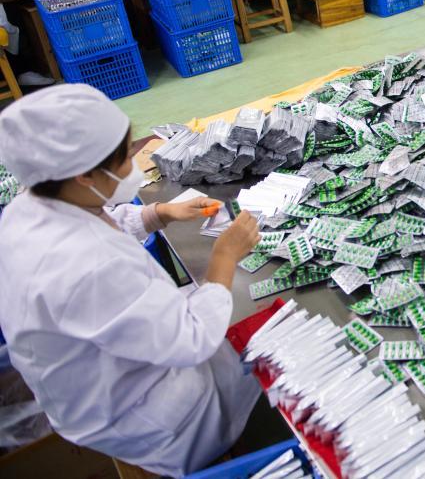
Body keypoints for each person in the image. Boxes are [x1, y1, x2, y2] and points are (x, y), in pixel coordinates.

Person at [0, 84, 262, 477]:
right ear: (84, 174)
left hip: (99, 381)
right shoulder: (90, 267)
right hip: (155, 424)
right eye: (124, 159)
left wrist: (158, 214)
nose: (133, 167)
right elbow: (191, 339)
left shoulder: (30, 205)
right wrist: (224, 258)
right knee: (273, 345)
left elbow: (92, 221)